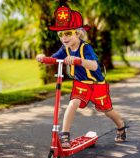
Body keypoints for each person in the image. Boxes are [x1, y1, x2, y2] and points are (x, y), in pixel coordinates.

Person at [36, 5, 127, 148]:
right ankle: (64, 135)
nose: (64, 38)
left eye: (68, 33)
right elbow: (54, 59)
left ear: (77, 34)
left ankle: (121, 126)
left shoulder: (86, 48)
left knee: (107, 110)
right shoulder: (64, 48)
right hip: (80, 84)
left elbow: (94, 65)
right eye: (61, 34)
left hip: (97, 84)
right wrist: (43, 58)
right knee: (72, 104)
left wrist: (79, 61)